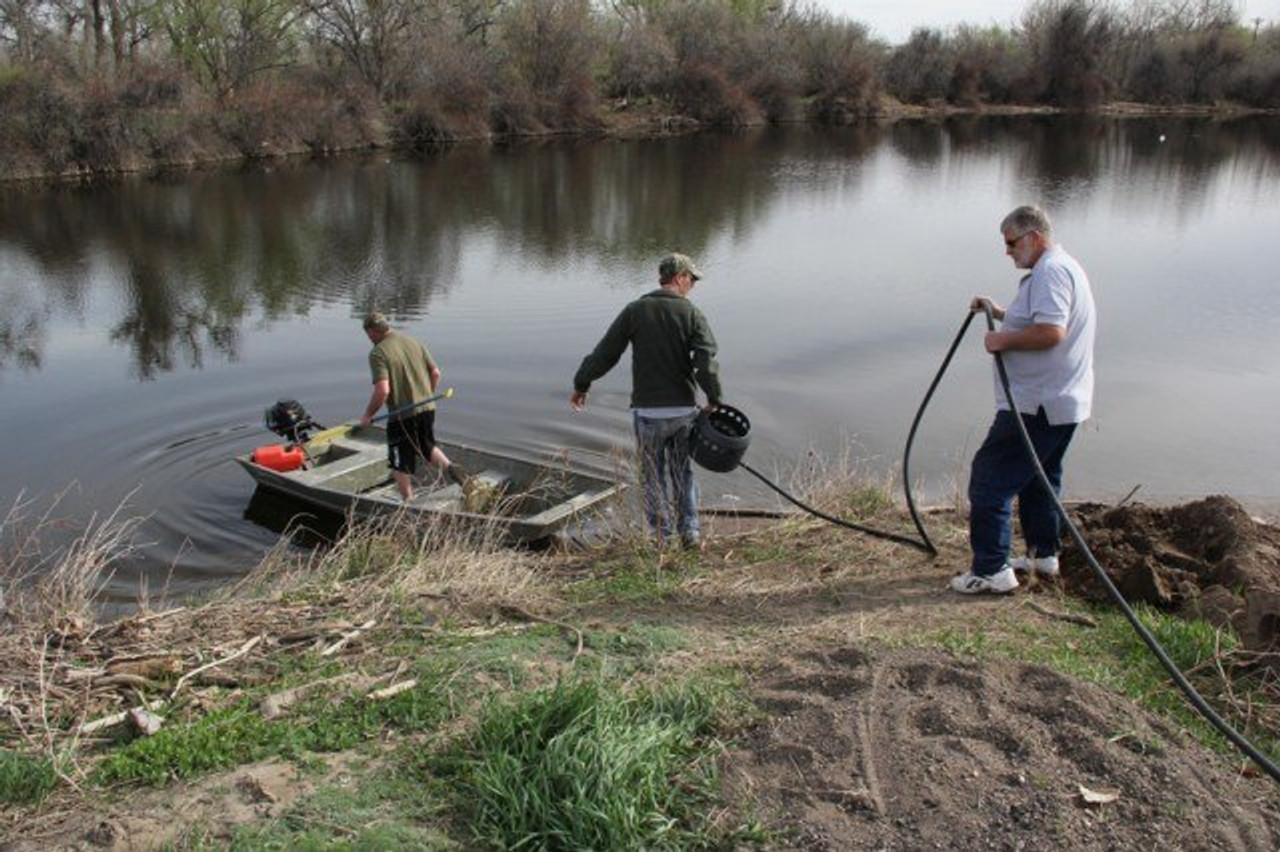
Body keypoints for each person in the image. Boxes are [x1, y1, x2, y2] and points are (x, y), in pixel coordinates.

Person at [951, 205, 1096, 595]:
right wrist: (998, 312)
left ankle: (991, 569)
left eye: (1012, 242)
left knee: (990, 479)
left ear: (1034, 237)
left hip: (1038, 405)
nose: (1008, 250)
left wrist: (1002, 340)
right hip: (1061, 402)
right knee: (1039, 479)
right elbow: (1037, 321)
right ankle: (1042, 556)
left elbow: (1051, 332)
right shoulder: (1061, 268)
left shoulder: (1050, 273)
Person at [571, 253, 724, 550]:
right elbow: (705, 363)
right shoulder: (692, 314)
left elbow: (606, 353)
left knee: (652, 475)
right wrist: (714, 399)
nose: (692, 285)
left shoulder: (635, 311)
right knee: (683, 471)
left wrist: (582, 383)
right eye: (691, 279)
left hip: (648, 413)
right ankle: (689, 531)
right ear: (679, 277)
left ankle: (661, 536)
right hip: (683, 412)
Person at [360, 311, 466, 501]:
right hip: (427, 408)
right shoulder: (414, 342)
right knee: (426, 446)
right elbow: (435, 373)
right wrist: (427, 395)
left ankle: (408, 502)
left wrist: (368, 415)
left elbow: (382, 391)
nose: (369, 339)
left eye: (368, 335)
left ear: (371, 332)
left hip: (402, 416)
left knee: (399, 459)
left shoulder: (378, 353)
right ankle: (451, 468)